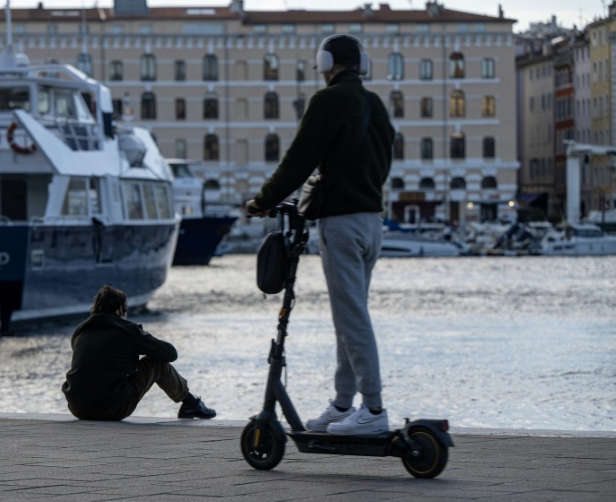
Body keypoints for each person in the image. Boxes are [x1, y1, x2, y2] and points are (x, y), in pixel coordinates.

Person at [245, 34, 394, 435]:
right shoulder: (375, 104)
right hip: (372, 223)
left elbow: (298, 160)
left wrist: (263, 200)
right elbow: (385, 160)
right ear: (361, 63)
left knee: (352, 318)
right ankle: (344, 404)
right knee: (349, 314)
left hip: (341, 224)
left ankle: (374, 409)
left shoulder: (327, 102)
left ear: (326, 62)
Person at [61, 285, 216, 421]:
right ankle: (192, 404)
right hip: (112, 409)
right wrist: (142, 336)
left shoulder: (81, 329)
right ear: (120, 310)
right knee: (157, 363)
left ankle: (191, 404)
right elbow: (170, 354)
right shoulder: (127, 330)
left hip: (77, 408)